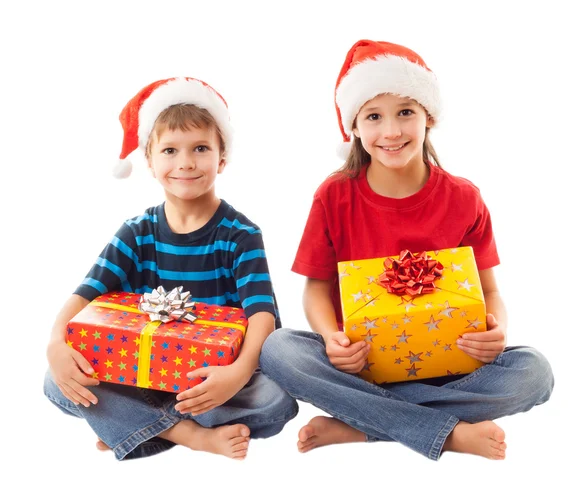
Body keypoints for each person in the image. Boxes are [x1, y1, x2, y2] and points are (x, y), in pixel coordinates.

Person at [259, 40, 553, 461]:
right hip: (359, 369)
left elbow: (490, 291)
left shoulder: (464, 198)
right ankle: (447, 433)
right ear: (354, 127)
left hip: (449, 369)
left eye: (405, 112)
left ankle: (364, 425)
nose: (391, 131)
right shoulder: (334, 196)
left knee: (535, 373)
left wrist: (497, 330)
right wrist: (331, 338)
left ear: (428, 117)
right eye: (374, 116)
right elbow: (315, 290)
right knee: (277, 348)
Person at [44, 77, 298, 461]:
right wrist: (54, 345)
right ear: (150, 161)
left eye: (200, 148)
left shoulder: (241, 234)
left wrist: (239, 373)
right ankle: (187, 435)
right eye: (169, 150)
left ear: (221, 158)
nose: (185, 163)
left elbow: (261, 315)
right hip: (140, 372)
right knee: (54, 381)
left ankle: (129, 425)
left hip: (209, 380)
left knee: (276, 401)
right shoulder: (136, 232)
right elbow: (84, 295)